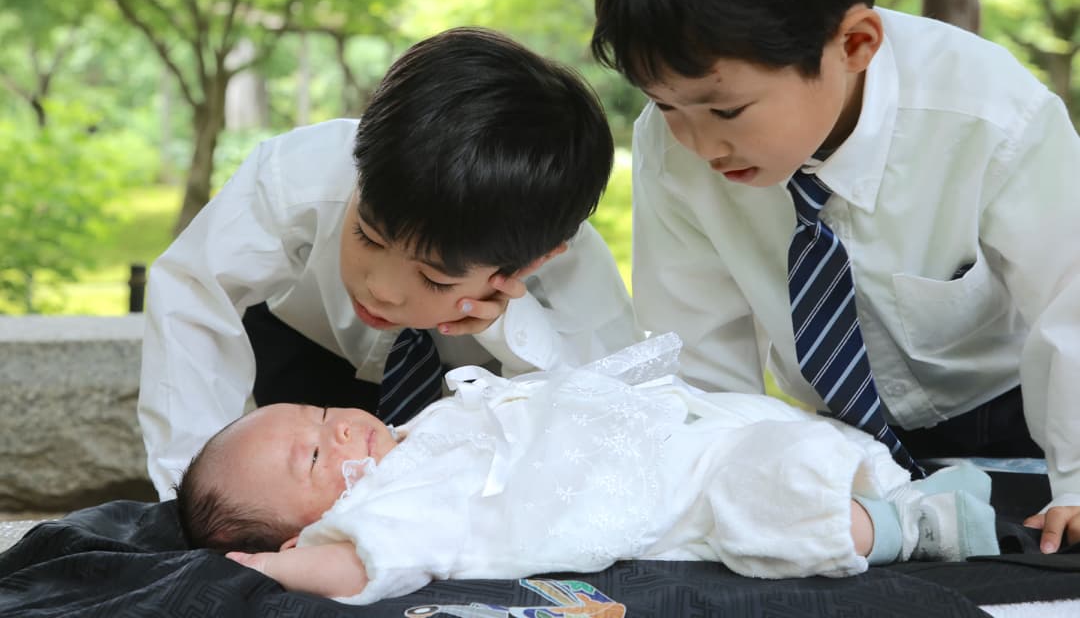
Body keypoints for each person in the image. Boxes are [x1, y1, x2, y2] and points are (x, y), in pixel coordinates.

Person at [589, 0, 1080, 554]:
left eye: (726, 109)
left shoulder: (990, 115)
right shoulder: (669, 150)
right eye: (664, 103)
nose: (699, 143)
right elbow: (698, 362)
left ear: (854, 44)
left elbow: (1070, 304)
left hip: (1017, 426)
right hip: (837, 443)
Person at [138, 27, 640, 500]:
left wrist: (518, 333)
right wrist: (189, 496)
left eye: (433, 276)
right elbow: (195, 294)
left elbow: (608, 412)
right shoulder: (301, 174)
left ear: (534, 260)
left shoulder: (565, 267)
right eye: (367, 235)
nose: (381, 289)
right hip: (306, 348)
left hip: (467, 391)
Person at [175, 336, 999, 604]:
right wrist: (287, 569)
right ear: (308, 524)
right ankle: (911, 526)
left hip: (664, 436)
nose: (339, 425)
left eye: (318, 415)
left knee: (762, 429)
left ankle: (895, 484)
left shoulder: (418, 430)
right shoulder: (395, 501)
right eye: (315, 456)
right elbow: (369, 558)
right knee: (761, 496)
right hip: (668, 497)